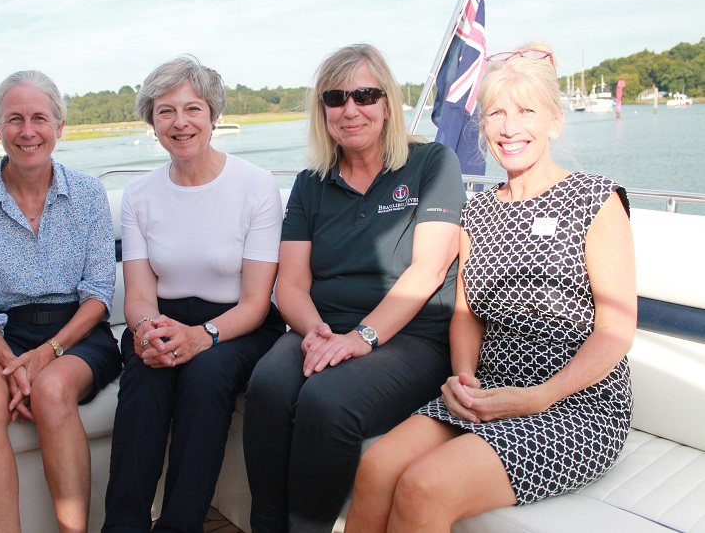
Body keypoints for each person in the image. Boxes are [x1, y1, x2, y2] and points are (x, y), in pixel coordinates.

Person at [344, 44, 636, 532]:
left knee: (424, 486)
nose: (509, 126)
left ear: (554, 121)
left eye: (526, 111)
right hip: (487, 392)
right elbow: (466, 314)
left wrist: (541, 396)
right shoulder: (477, 210)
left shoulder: (596, 199)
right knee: (376, 467)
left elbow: (615, 331)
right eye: (496, 112)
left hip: (575, 406)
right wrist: (461, 378)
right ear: (483, 127)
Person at [242, 44, 467, 533]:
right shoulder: (311, 184)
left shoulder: (432, 163)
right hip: (324, 327)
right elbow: (293, 283)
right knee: (268, 386)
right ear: (322, 111)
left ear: (388, 103)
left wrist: (359, 338)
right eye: (335, 97)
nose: (350, 109)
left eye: (365, 95)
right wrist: (318, 331)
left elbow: (427, 271)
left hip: (412, 337)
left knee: (328, 401)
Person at [102, 55, 285, 533]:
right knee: (144, 374)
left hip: (238, 323)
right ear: (152, 122)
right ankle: (122, 525)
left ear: (213, 115)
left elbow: (256, 302)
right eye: (165, 111)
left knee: (206, 374)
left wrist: (202, 336)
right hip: (163, 318)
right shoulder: (139, 196)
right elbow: (139, 296)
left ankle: (181, 525)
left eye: (193, 109)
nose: (180, 122)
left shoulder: (255, 186)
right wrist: (145, 330)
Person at [0, 70, 122, 533]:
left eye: (40, 118)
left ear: (59, 127)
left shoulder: (87, 194)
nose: (28, 131)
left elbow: (98, 294)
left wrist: (48, 354)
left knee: (51, 389)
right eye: (15, 119)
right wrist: (11, 361)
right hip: (3, 337)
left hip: (78, 332)